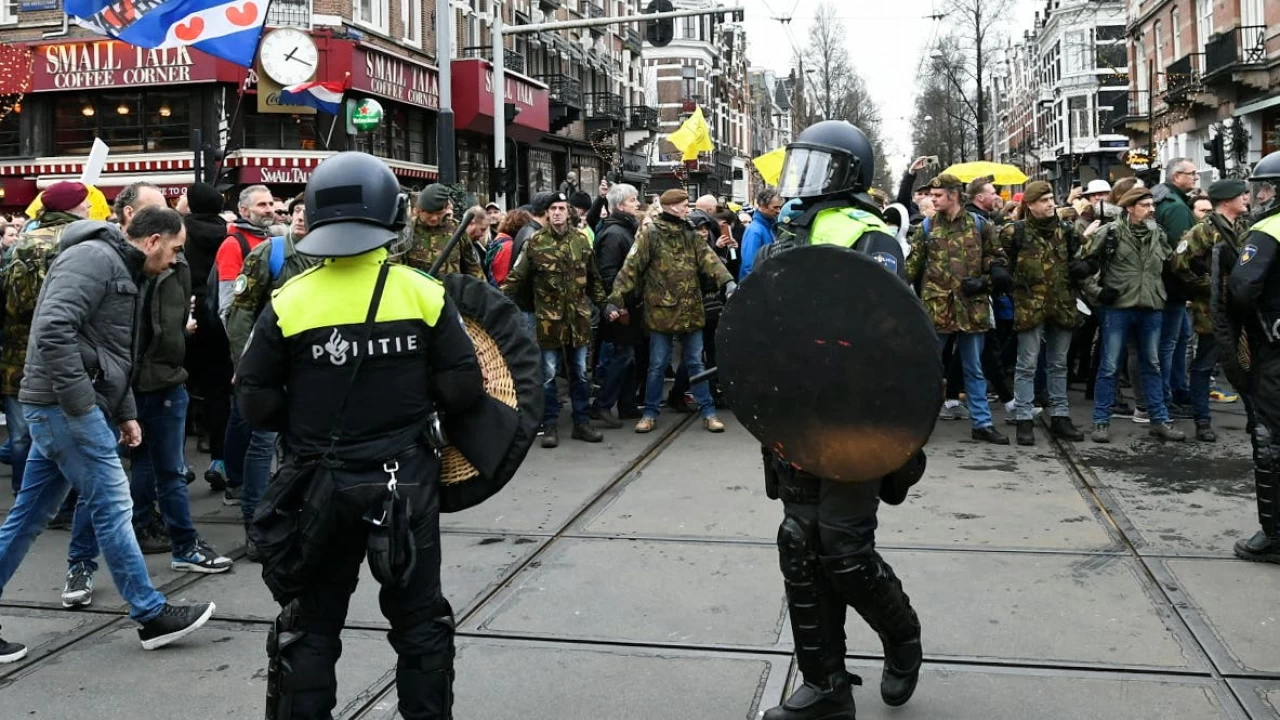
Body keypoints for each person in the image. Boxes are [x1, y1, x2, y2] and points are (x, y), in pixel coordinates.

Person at [235, 152, 485, 717]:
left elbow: (254, 401)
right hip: (405, 484)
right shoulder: (423, 292)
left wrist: (307, 421)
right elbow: (464, 389)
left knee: (311, 623)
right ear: (393, 214)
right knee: (421, 620)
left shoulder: (289, 300)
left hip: (317, 487)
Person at [752, 120, 924, 720]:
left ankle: (902, 637)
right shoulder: (785, 231)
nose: (801, 178)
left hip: (855, 420)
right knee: (799, 544)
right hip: (796, 416)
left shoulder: (869, 234)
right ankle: (826, 686)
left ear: (848, 171)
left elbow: (890, 333)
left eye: (816, 165)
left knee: (845, 551)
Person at [0, 206, 216, 663]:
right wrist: (84, 408)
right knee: (114, 504)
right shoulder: (95, 259)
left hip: (67, 405)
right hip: (66, 407)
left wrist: (125, 411)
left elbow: (114, 351)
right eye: (176, 249)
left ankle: (150, 612)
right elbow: (54, 331)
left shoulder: (120, 265)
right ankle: (150, 613)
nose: (178, 260)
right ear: (153, 239)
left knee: (30, 516)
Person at [223, 192, 318, 558]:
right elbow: (240, 313)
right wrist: (243, 367)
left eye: (309, 211)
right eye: (296, 210)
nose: (300, 217)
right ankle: (257, 526)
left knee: (301, 447)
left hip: (312, 371)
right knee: (262, 445)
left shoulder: (335, 255)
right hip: (272, 366)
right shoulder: (269, 253)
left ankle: (299, 520)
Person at [605, 188, 735, 434]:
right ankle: (650, 412)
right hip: (661, 311)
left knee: (696, 362)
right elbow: (631, 267)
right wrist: (616, 299)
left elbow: (709, 259)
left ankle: (708, 411)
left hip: (690, 309)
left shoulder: (690, 232)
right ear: (672, 206)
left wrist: (727, 282)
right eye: (685, 204)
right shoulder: (650, 233)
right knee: (657, 363)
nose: (688, 208)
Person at [907, 173, 1013, 445]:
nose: (933, 199)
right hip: (938, 309)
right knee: (928, 369)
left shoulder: (979, 225)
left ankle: (982, 424)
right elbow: (911, 267)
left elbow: (998, 259)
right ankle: (915, 424)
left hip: (971, 308)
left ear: (954, 195)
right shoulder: (927, 227)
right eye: (932, 195)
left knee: (974, 369)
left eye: (938, 195)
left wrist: (984, 282)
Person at [0, 181, 91, 497]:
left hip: (17, 350)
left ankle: (25, 494)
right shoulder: (76, 242)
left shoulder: (21, 244)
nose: (90, 207)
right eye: (85, 202)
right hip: (64, 349)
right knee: (65, 428)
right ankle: (60, 500)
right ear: (72, 207)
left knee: (23, 432)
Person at [1079, 186, 1186, 443]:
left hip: (1151, 307)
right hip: (1118, 308)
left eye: (1152, 205)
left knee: (1152, 364)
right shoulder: (1111, 232)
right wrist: (1098, 292)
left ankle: (1159, 420)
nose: (1151, 210)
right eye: (1145, 205)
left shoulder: (1157, 234)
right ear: (1130, 208)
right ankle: (1101, 422)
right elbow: (1082, 265)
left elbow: (1173, 264)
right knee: (1110, 366)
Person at [501, 193, 607, 448]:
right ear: (547, 213)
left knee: (580, 374)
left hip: (577, 321)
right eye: (553, 209)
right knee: (547, 375)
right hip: (549, 322)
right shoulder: (535, 243)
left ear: (568, 212)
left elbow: (594, 279)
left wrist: (608, 305)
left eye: (561, 208)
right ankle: (549, 425)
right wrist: (497, 300)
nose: (557, 213)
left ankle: (581, 422)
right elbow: (516, 279)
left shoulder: (581, 242)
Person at [1001, 181, 1087, 445]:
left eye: (1051, 198)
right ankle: (1024, 417)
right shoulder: (1014, 233)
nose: (1050, 204)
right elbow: (1001, 260)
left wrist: (1085, 267)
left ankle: (1060, 415)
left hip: (1061, 303)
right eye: (1044, 200)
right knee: (1027, 364)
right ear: (1030, 204)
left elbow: (1083, 257)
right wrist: (1003, 277)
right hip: (1030, 305)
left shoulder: (1068, 231)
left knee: (1059, 365)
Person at [1226, 151, 1280, 563]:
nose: (1258, 196)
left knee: (1270, 438)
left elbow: (1241, 289)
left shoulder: (1268, 228)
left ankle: (1275, 535)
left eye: (1264, 188)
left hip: (1274, 354)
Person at [1170, 179, 1252, 443]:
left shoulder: (1242, 226)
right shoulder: (1203, 231)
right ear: (1227, 200)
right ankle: (1202, 421)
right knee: (1204, 365)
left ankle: (1255, 418)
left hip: (1240, 306)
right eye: (1242, 195)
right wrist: (1209, 285)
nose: (1247, 199)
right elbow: (1179, 263)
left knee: (1248, 363)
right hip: (1212, 310)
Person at [181, 182, 235, 492]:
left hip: (186, 314)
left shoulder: (181, 230)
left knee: (180, 389)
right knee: (218, 392)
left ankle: (179, 461)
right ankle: (220, 459)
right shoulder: (228, 233)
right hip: (218, 317)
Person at [590, 183, 645, 425]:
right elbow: (607, 273)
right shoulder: (614, 234)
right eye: (633, 200)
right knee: (623, 356)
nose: (637, 204)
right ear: (621, 205)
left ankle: (627, 404)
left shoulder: (624, 229)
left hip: (629, 303)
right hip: (620, 306)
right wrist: (615, 304)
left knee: (629, 356)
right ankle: (602, 404)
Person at [1154, 158, 1200, 417]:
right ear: (1176, 177)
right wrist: (1196, 281)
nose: (1195, 177)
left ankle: (1178, 389)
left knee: (1180, 337)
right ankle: (1166, 397)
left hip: (1167, 287)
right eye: (1191, 173)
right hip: (1172, 288)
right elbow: (1182, 252)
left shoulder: (1166, 200)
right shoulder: (1176, 208)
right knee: (1169, 342)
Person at [405, 184, 484, 278]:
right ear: (420, 210)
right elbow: (395, 268)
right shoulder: (407, 231)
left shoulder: (457, 230)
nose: (434, 218)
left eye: (439, 213)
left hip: (450, 290)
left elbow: (474, 268)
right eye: (429, 213)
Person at [738, 188, 783, 281]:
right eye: (775, 207)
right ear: (763, 206)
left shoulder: (768, 227)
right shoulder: (755, 231)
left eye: (779, 207)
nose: (778, 211)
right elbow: (749, 266)